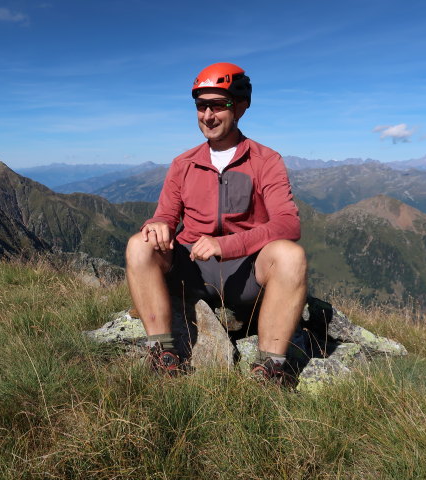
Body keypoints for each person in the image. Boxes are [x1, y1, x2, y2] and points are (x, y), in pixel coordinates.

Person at [125, 62, 307, 383]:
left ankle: (270, 369)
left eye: (218, 105)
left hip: (246, 273)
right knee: (140, 244)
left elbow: (287, 224)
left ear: (240, 106)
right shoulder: (183, 163)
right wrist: (159, 223)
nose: (207, 115)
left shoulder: (266, 161)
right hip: (192, 271)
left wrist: (226, 244)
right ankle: (163, 354)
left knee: (291, 255)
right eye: (201, 106)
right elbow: (166, 214)